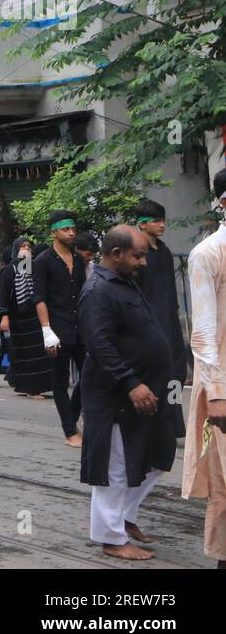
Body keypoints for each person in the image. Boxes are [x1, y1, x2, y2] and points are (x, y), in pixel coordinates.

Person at [79, 225, 178, 561]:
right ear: (116, 254)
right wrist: (131, 383)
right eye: (138, 255)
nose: (144, 262)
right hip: (117, 396)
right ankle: (110, 537)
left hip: (148, 391)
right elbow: (100, 345)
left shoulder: (123, 284)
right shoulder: (97, 291)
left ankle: (126, 517)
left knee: (159, 456)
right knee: (115, 468)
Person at [183, 167, 226, 566]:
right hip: (224, 390)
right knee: (224, 485)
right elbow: (205, 334)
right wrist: (216, 397)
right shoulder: (207, 254)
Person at [35, 210, 88, 448]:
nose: (71, 233)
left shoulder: (79, 260)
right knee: (60, 381)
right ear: (54, 232)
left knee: (88, 376)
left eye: (73, 228)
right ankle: (69, 431)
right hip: (56, 328)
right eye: (66, 229)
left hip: (80, 327)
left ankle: (72, 419)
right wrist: (47, 330)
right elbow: (40, 298)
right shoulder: (42, 262)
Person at [134, 199, 189, 409]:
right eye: (156, 220)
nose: (162, 225)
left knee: (176, 373)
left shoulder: (165, 252)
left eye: (163, 220)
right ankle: (154, 419)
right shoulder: (137, 254)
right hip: (149, 324)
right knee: (154, 374)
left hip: (170, 320)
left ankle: (174, 421)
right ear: (142, 224)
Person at [0, 238, 51, 397]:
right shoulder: (9, 270)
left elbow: (38, 290)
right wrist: (3, 317)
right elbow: (2, 296)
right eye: (23, 246)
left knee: (38, 353)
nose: (26, 249)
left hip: (34, 317)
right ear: (16, 250)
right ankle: (32, 389)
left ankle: (34, 386)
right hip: (17, 319)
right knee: (24, 355)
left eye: (29, 247)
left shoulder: (32, 268)